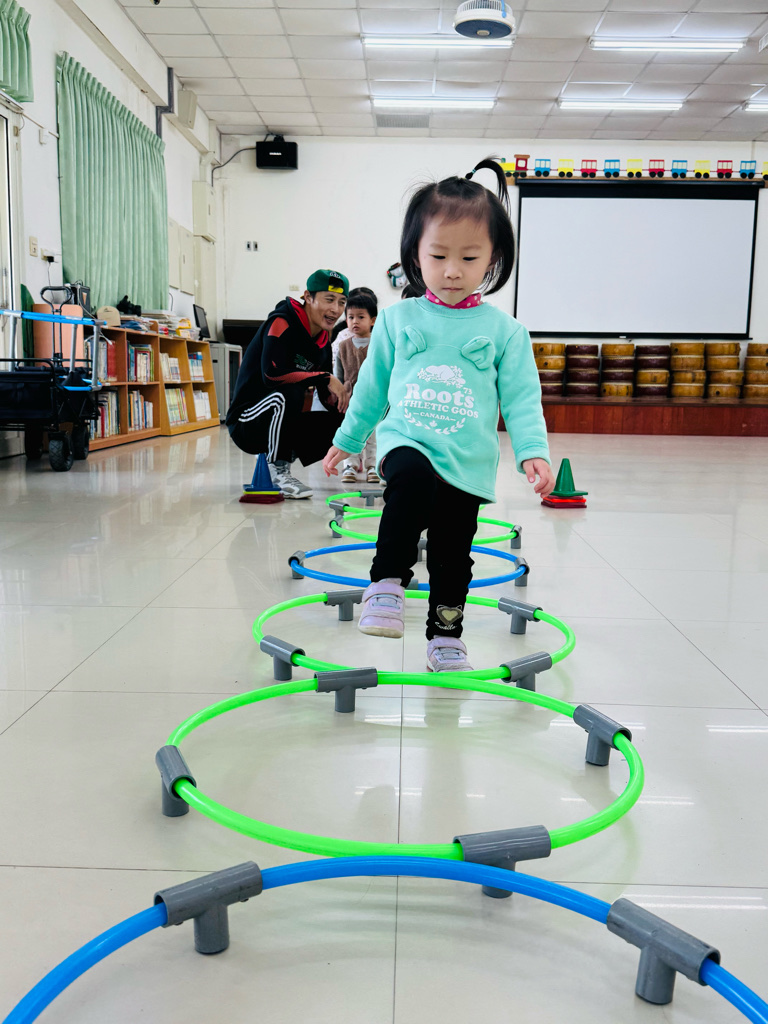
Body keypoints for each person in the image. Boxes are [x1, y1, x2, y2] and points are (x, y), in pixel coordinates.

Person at [322, 158, 555, 672]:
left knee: (453, 554)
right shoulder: (397, 319)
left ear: (492, 259)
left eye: (469, 257)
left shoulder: (506, 332)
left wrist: (533, 451)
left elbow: (522, 399)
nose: (453, 270)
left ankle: (445, 636)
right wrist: (348, 437)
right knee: (409, 481)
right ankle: (386, 582)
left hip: (467, 459)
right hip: (408, 439)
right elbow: (372, 388)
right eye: (439, 255)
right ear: (415, 254)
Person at [226, 269, 350, 499]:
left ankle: (278, 455)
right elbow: (272, 375)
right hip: (246, 421)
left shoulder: (323, 341)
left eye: (342, 302)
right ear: (308, 297)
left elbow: (325, 394)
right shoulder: (282, 322)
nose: (336, 309)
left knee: (345, 420)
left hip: (282, 418)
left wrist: (344, 401)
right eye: (329, 299)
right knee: (288, 392)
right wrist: (324, 378)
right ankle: (278, 471)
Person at [333, 287, 379, 484]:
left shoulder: (379, 345)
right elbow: (338, 375)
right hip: (351, 400)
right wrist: (339, 394)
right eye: (350, 317)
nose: (355, 322)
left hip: (375, 399)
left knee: (373, 435)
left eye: (361, 317)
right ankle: (350, 465)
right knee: (351, 432)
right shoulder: (343, 346)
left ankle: (372, 466)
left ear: (373, 320)